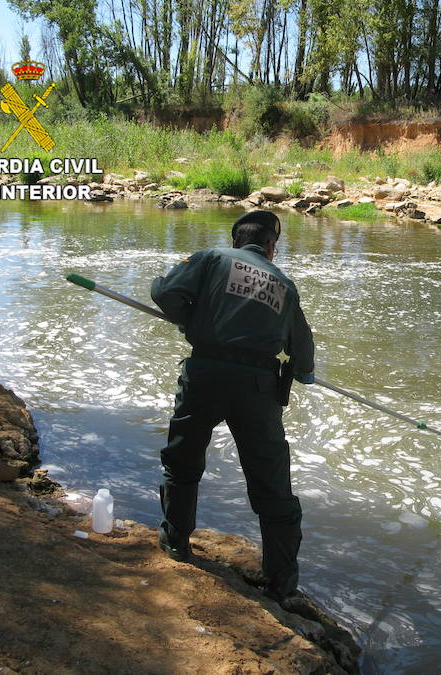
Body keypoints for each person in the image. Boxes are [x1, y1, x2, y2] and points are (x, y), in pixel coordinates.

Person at [150, 209, 315, 605]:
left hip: (204, 373)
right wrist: (303, 373)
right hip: (257, 387)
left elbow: (164, 294)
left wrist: (194, 321)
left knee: (183, 460)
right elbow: (303, 355)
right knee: (272, 485)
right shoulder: (284, 284)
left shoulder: (210, 258)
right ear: (272, 247)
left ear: (236, 238)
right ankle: (281, 584)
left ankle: (176, 543)